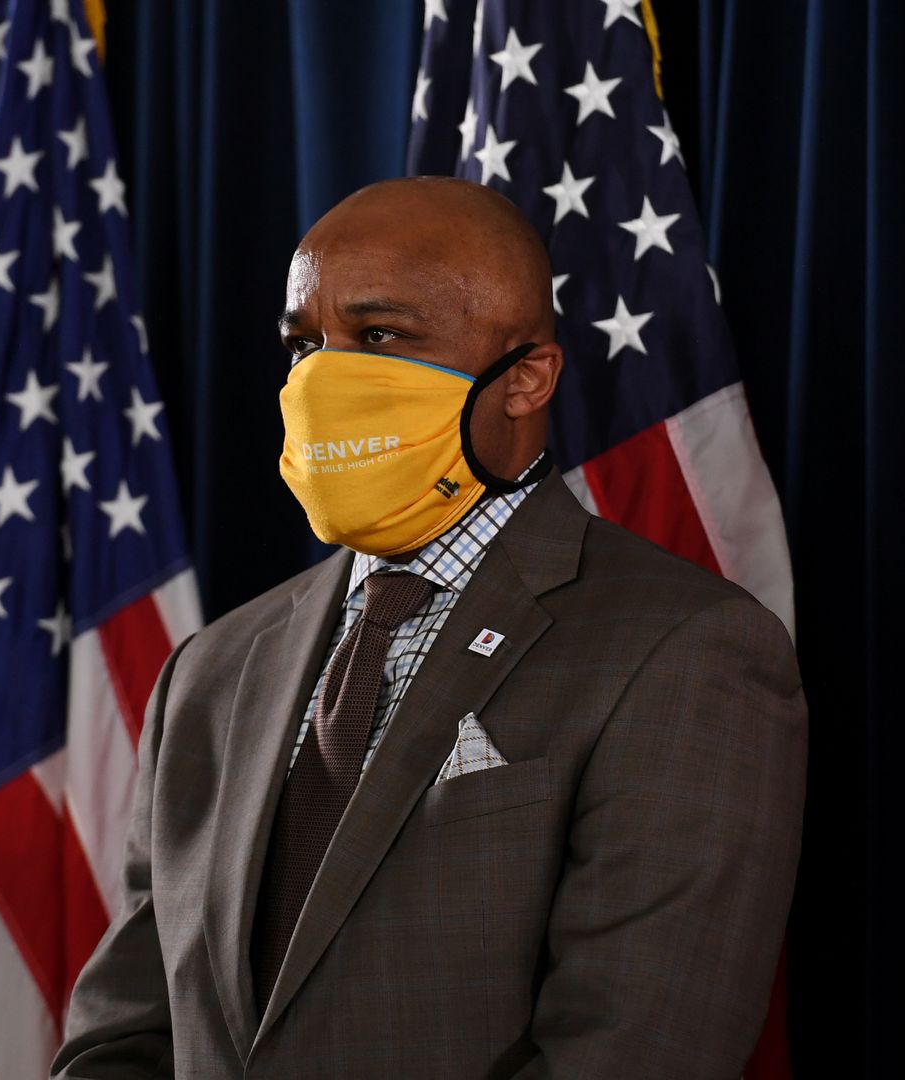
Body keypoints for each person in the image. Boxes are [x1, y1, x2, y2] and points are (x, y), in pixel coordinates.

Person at [53, 177, 807, 1079]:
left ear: (524, 379)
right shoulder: (212, 670)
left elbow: (634, 1048)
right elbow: (124, 1031)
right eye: (304, 343)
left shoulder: (687, 650)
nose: (324, 377)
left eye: (379, 337)